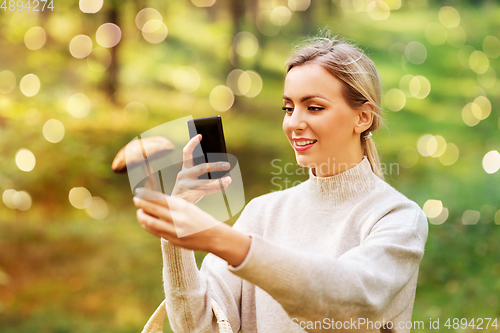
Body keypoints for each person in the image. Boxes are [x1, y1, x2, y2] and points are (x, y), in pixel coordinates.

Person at [133, 33, 429, 333]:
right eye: (288, 108)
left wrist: (222, 241)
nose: (294, 123)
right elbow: (199, 327)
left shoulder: (398, 218)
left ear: (363, 117)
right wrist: (176, 234)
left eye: (314, 107)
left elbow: (351, 300)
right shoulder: (262, 213)